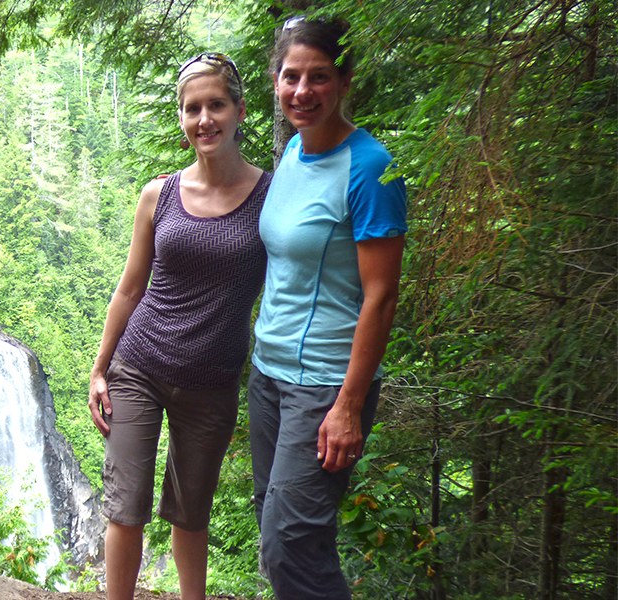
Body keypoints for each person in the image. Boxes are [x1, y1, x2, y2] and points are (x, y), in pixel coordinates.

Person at [87, 52, 270, 600]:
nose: (204, 119)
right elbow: (130, 287)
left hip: (211, 381)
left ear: (239, 110)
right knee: (126, 506)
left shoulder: (270, 197)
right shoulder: (159, 194)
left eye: (216, 105)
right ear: (182, 119)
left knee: (191, 512)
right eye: (193, 109)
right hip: (139, 365)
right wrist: (100, 369)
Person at [248, 16, 407, 600]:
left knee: (291, 542)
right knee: (281, 532)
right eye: (291, 76)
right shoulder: (292, 151)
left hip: (326, 385)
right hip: (269, 375)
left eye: (319, 77)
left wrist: (348, 405)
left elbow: (382, 295)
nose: (302, 91)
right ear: (275, 80)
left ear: (344, 81)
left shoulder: (369, 167)